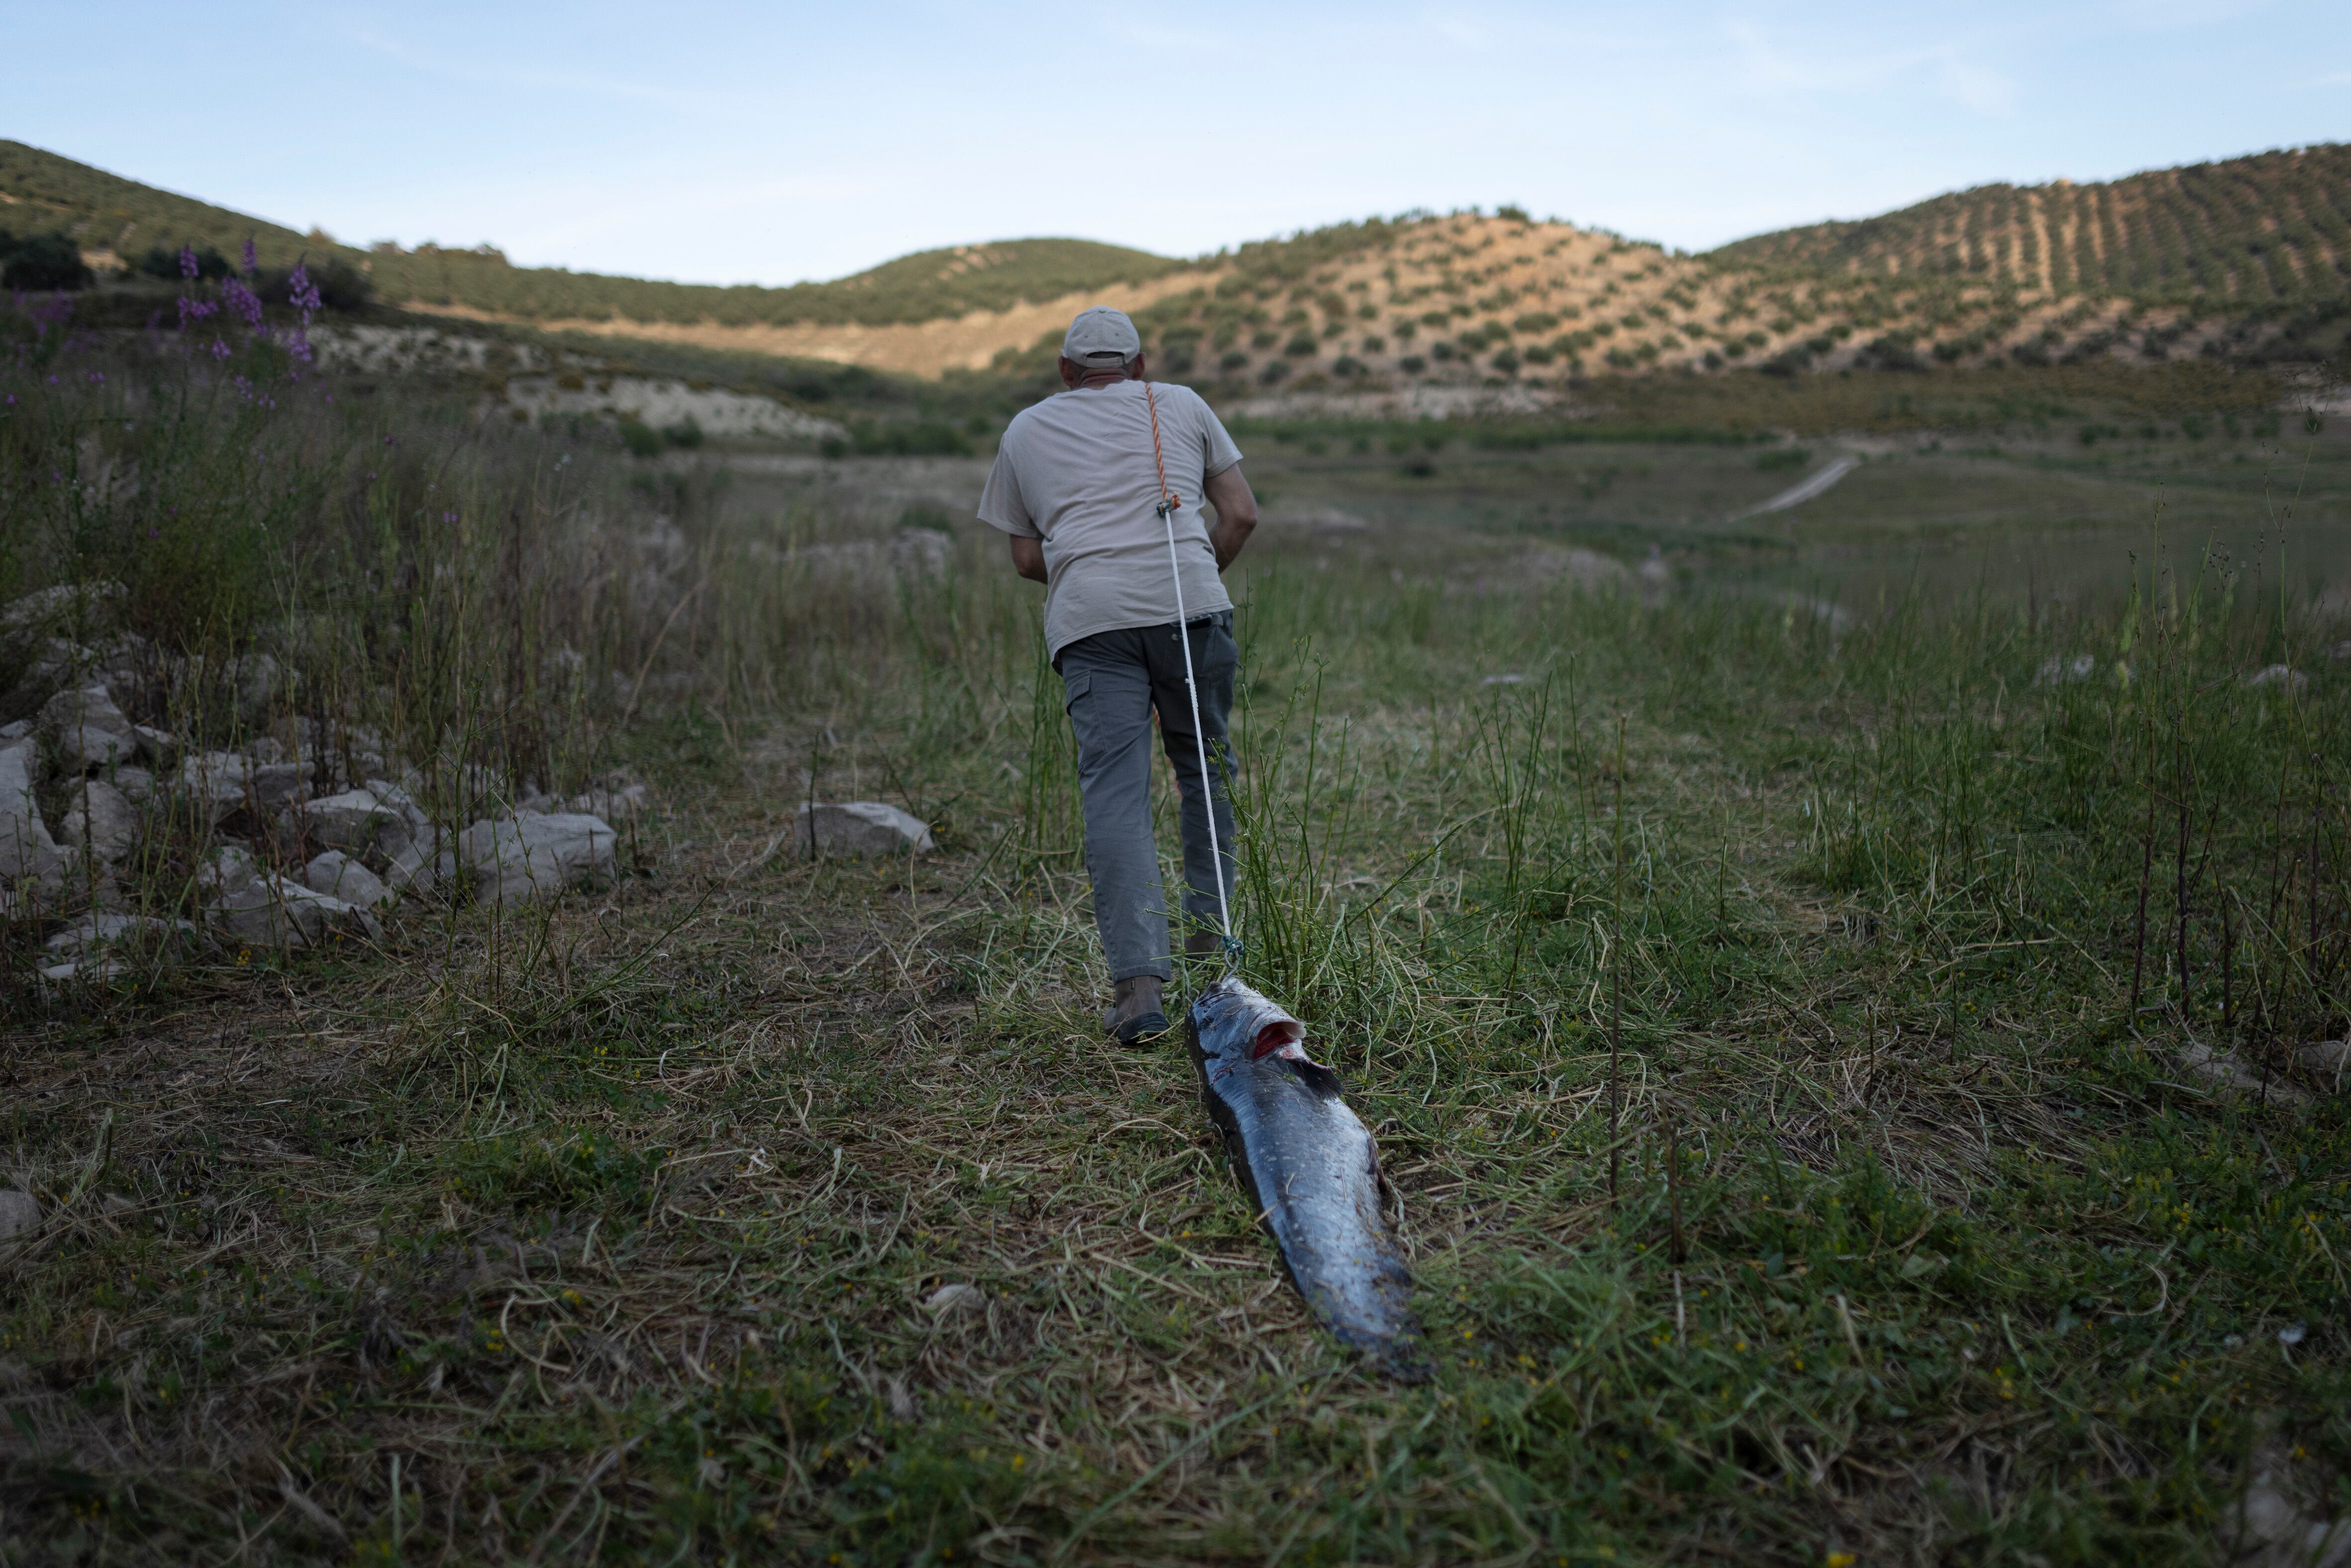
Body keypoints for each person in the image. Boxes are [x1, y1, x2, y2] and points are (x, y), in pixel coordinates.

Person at [978, 306, 1260, 1042]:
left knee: (1115, 792)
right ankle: (1217, 963)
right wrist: (1194, 574)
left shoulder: (1025, 429)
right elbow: (1240, 514)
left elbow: (1027, 559)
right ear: (1140, 366)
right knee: (1206, 771)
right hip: (1191, 607)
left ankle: (1138, 993)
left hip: (1092, 624)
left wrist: (1094, 579)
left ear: (1067, 373)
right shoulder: (1183, 404)